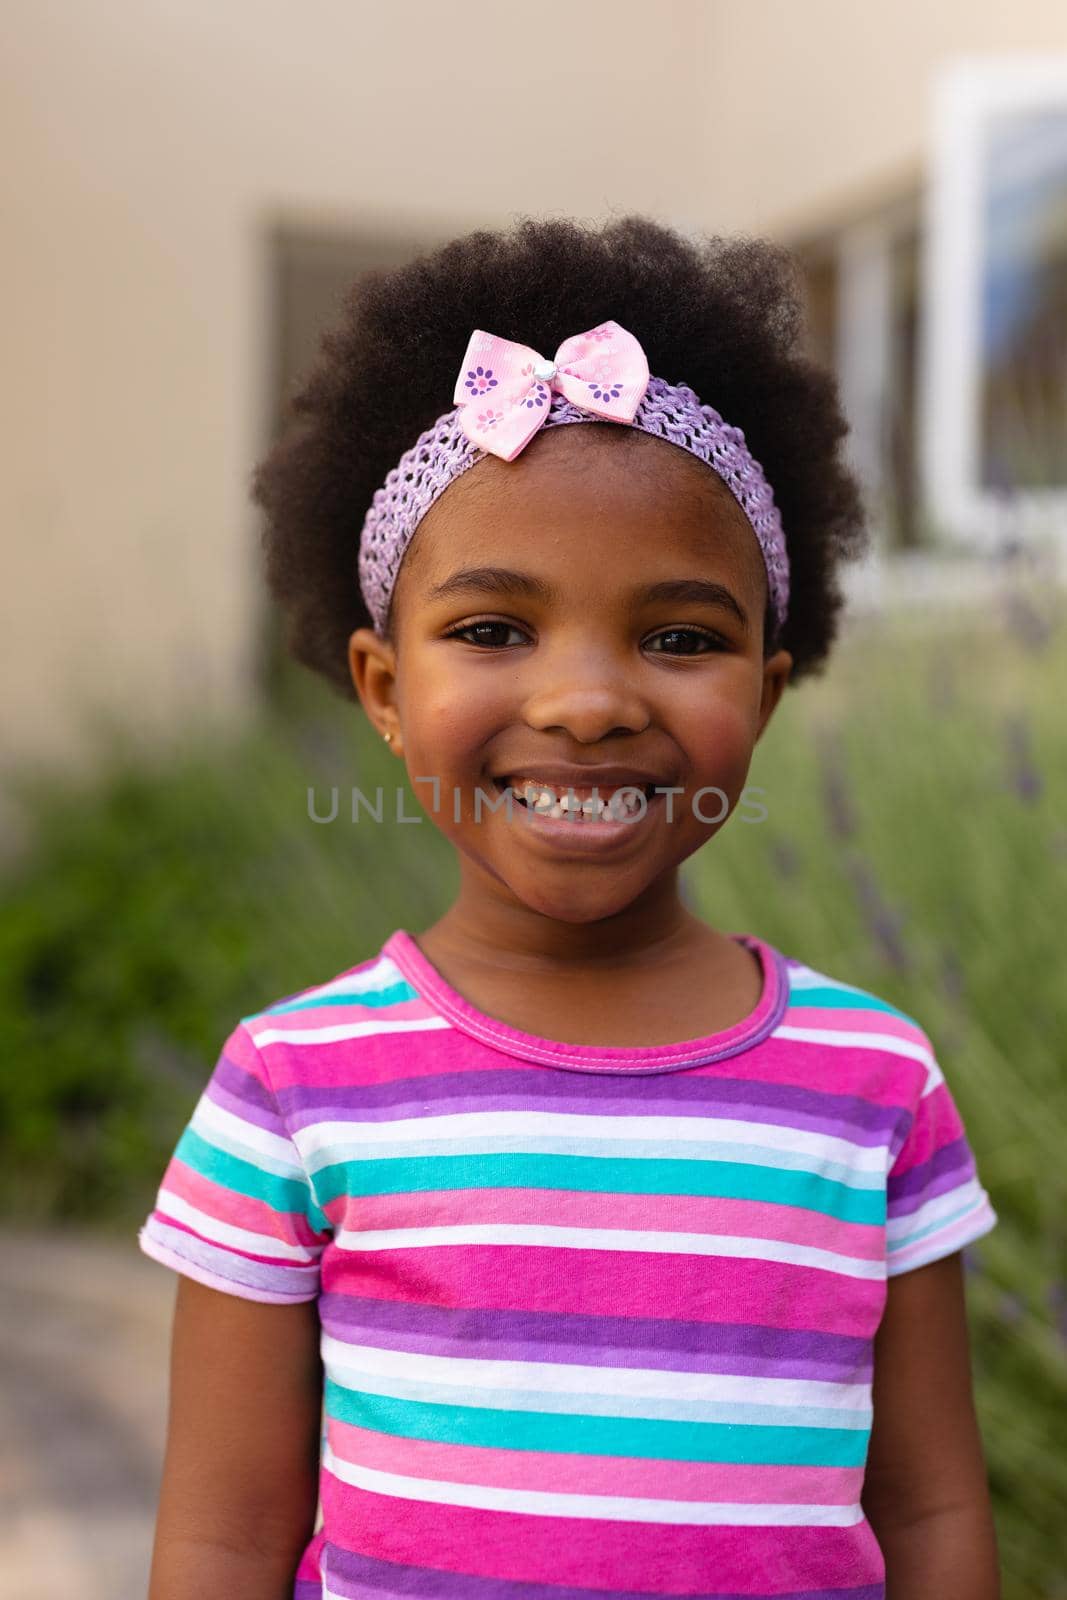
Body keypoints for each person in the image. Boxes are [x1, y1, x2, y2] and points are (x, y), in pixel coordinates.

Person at [138, 216, 1001, 1599]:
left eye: (680, 638)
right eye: (493, 630)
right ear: (382, 687)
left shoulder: (876, 1086)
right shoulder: (294, 1090)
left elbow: (936, 1513)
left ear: (765, 695)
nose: (589, 703)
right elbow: (224, 1537)